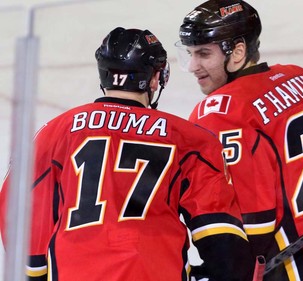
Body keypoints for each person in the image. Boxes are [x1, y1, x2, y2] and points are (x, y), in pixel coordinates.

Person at [0, 27, 256, 281]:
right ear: (155, 78)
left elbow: (18, 212)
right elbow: (223, 242)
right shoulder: (192, 140)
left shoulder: (53, 133)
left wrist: (33, 274)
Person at [176, 0, 303, 280]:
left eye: (203, 54)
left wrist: (229, 270)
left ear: (238, 51)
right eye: (190, 54)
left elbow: (254, 221)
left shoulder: (221, 112)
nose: (193, 66)